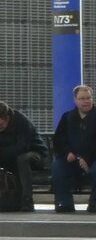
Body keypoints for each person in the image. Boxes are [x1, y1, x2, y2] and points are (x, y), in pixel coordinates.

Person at [0, 101, 47, 212]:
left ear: (7, 118)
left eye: (0, 125)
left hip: (33, 153)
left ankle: (27, 200)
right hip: (7, 155)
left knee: (22, 159)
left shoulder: (22, 122)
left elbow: (23, 147)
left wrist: (1, 152)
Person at [50, 84, 96, 213]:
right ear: (75, 100)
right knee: (57, 167)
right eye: (82, 98)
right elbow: (58, 140)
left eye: (88, 98)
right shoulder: (67, 117)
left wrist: (87, 157)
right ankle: (65, 203)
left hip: (93, 159)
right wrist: (68, 153)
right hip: (72, 158)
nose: (86, 101)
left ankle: (94, 204)